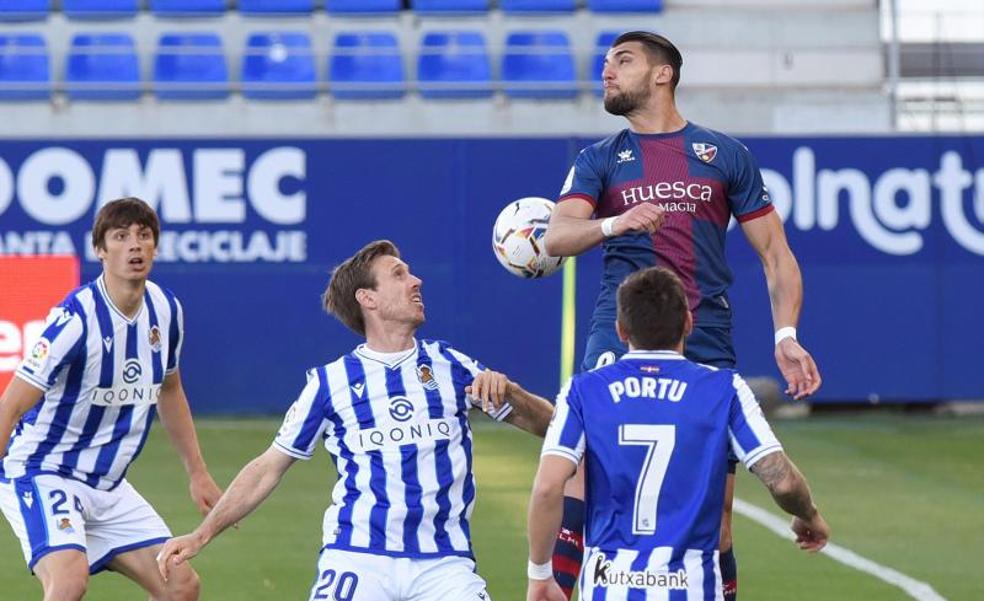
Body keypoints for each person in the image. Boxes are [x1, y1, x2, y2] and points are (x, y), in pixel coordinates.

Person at [543, 31, 822, 599]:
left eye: (622, 61)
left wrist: (786, 333)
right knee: (584, 481)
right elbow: (556, 237)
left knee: (715, 519)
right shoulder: (598, 159)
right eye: (605, 63)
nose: (607, 72)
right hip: (617, 331)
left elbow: (776, 255)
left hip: (705, 334)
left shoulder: (724, 155)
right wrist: (613, 223)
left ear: (663, 74)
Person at [155, 239, 555, 601]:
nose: (416, 281)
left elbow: (551, 429)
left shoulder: (453, 367)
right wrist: (202, 533)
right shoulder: (330, 383)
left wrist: (512, 393)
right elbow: (267, 467)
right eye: (398, 275)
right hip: (357, 558)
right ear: (368, 298)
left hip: (444, 563)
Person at [525, 267, 829, 601]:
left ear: (621, 330)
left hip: (609, 588)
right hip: (693, 589)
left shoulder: (583, 391)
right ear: (688, 322)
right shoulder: (723, 389)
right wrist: (808, 514)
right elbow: (782, 480)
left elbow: (547, 487)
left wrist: (540, 574)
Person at [0, 197, 223, 601]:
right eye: (120, 237)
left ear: (155, 246)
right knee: (68, 582)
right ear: (100, 250)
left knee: (181, 586)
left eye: (143, 235)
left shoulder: (166, 310)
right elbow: (11, 404)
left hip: (108, 484)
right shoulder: (76, 320)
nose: (134, 246)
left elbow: (169, 389)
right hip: (43, 469)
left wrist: (198, 472)